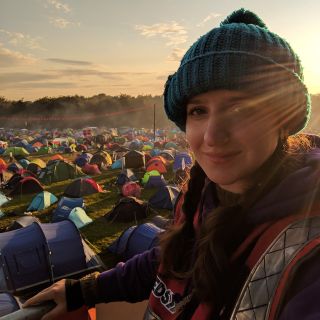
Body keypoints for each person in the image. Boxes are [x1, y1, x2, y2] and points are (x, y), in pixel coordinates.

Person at [23, 8, 320, 320]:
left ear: (283, 120)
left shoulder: (308, 251)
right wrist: (88, 290)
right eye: (198, 111)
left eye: (240, 109)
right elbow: (174, 260)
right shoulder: (200, 196)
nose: (213, 136)